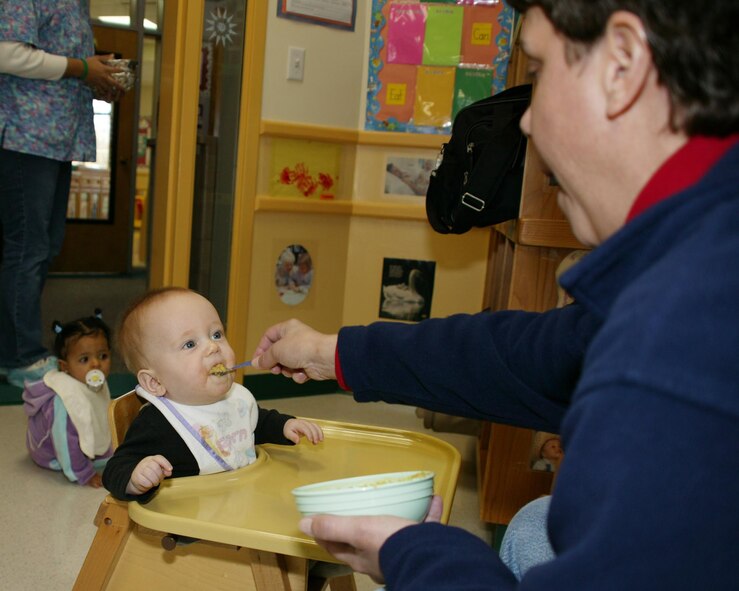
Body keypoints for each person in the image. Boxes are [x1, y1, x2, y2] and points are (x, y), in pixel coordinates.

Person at [249, 0, 739, 588]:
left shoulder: (675, 346)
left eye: (538, 71)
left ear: (623, 65)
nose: (527, 121)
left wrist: (416, 553)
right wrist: (336, 352)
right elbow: (527, 358)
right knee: (535, 523)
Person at [0, 1, 125, 388]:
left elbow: (54, 61)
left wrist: (93, 77)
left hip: (55, 139)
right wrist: (82, 67)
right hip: (25, 137)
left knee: (43, 247)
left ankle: (12, 351)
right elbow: (7, 52)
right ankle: (19, 356)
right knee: (28, 249)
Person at [102, 287, 324, 502]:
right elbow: (115, 470)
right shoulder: (158, 423)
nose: (213, 347)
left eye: (216, 334)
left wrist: (284, 427)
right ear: (155, 382)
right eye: (190, 344)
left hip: (239, 502)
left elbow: (253, 423)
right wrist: (137, 477)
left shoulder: (235, 400)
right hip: (192, 519)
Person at [22, 311, 114, 488]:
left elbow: (96, 415)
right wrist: (84, 474)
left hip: (68, 440)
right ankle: (78, 465)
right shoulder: (66, 400)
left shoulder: (92, 380)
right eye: (84, 359)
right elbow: (65, 441)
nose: (96, 364)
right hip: (51, 453)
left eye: (103, 356)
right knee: (70, 435)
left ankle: (94, 451)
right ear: (64, 367)